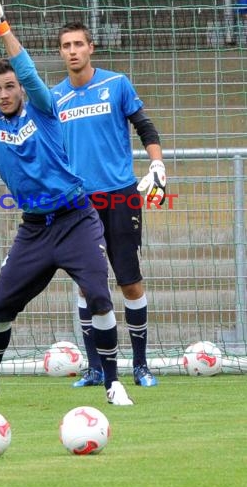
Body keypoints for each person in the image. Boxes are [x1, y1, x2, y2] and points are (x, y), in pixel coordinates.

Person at [0, 0, 134, 407]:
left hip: (76, 219)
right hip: (33, 231)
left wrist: (2, 29)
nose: (4, 93)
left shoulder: (44, 110)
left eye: (10, 86)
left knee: (100, 296)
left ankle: (112, 382)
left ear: (21, 88)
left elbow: (30, 73)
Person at [52, 21, 166, 388]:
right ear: (61, 52)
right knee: (88, 287)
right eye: (66, 45)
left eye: (78, 44)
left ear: (91, 48)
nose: (72, 50)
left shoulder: (116, 84)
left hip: (120, 195)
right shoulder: (55, 99)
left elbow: (145, 127)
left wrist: (158, 164)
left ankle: (141, 365)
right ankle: (96, 367)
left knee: (130, 284)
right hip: (79, 203)